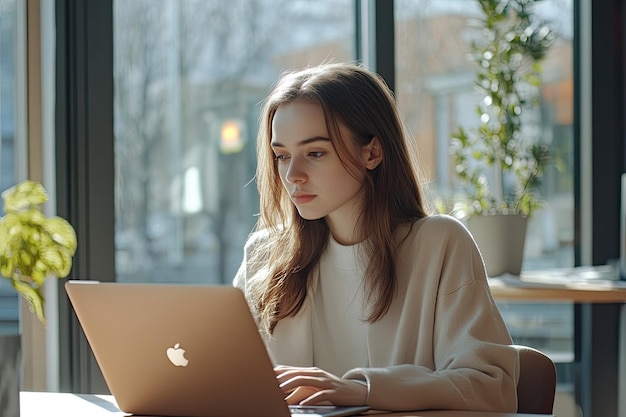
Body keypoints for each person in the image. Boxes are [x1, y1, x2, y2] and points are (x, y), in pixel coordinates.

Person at [233, 62, 518, 412]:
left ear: (372, 152)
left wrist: (362, 390)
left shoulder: (438, 244)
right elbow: (226, 376)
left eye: (315, 153)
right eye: (282, 156)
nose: (293, 175)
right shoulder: (264, 254)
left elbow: (492, 386)